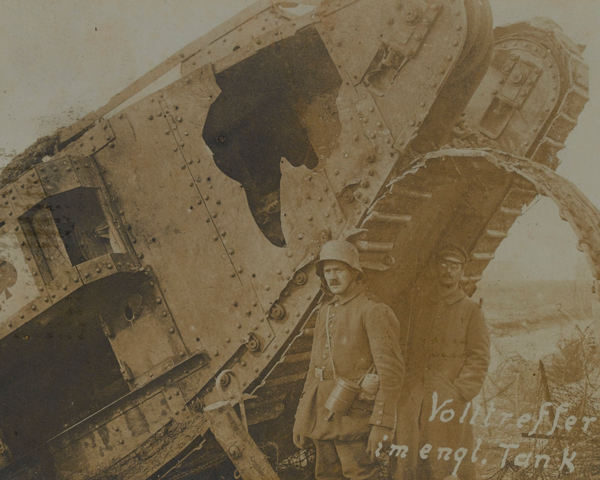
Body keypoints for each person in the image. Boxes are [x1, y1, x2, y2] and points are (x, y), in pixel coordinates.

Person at [293, 239, 404, 480]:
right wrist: (302, 418)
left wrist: (381, 425)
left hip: (355, 416)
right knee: (326, 476)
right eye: (327, 271)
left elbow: (390, 373)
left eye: (339, 270)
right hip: (325, 413)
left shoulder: (373, 311)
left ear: (355, 273)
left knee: (361, 475)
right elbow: (315, 369)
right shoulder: (325, 311)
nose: (332, 277)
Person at [393, 243, 490, 480]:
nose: (448, 270)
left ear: (462, 271)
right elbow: (405, 347)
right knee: (409, 460)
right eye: (444, 264)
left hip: (449, 401)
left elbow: (479, 357)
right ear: (436, 267)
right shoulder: (420, 305)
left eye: (454, 266)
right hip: (415, 397)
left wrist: (460, 393)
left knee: (446, 463)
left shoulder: (470, 310)